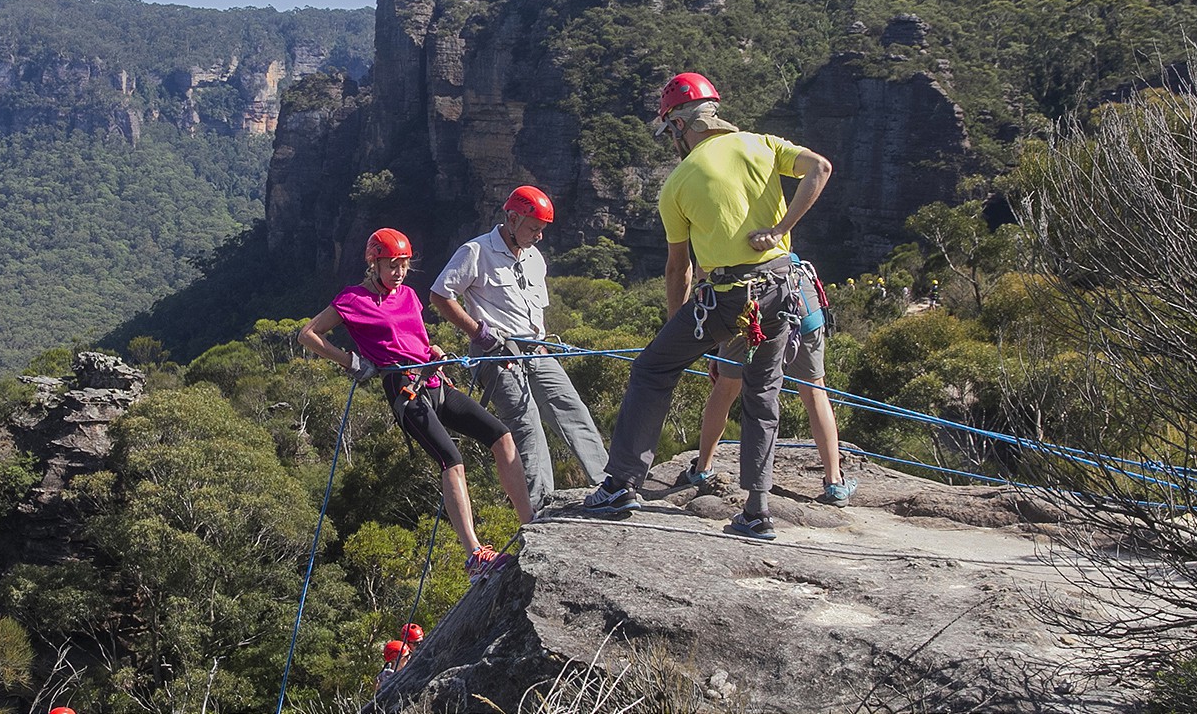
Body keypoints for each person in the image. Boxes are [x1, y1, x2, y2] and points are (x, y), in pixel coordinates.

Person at [581, 72, 832, 541]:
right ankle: (756, 512)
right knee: (763, 392)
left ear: (679, 125)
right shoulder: (761, 144)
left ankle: (620, 485)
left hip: (727, 297)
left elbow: (678, 269)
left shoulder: (678, 183)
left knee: (652, 369)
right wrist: (780, 231)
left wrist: (676, 327)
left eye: (671, 131)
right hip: (782, 288)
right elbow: (820, 167)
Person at [298, 228, 535, 578]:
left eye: (404, 265)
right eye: (392, 265)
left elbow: (416, 337)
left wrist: (433, 351)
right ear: (374, 263)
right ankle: (474, 554)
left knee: (502, 436)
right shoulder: (352, 300)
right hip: (404, 390)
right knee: (451, 460)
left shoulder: (408, 295)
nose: (400, 272)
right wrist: (349, 361)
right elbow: (308, 334)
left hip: (434, 381)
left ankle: (530, 524)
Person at [429, 185, 609, 506]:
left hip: (536, 349)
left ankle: (609, 484)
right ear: (512, 219)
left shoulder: (535, 258)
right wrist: (478, 332)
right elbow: (440, 294)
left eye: (542, 230)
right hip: (496, 355)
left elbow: (535, 311)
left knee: (573, 410)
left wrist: (541, 343)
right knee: (527, 426)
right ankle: (541, 506)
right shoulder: (476, 251)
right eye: (534, 228)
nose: (539, 236)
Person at [684, 253, 856, 506]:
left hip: (745, 301)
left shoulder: (710, 233)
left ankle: (702, 468)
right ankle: (835, 483)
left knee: (726, 387)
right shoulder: (773, 227)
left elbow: (705, 278)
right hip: (797, 295)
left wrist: (719, 346)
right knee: (814, 391)